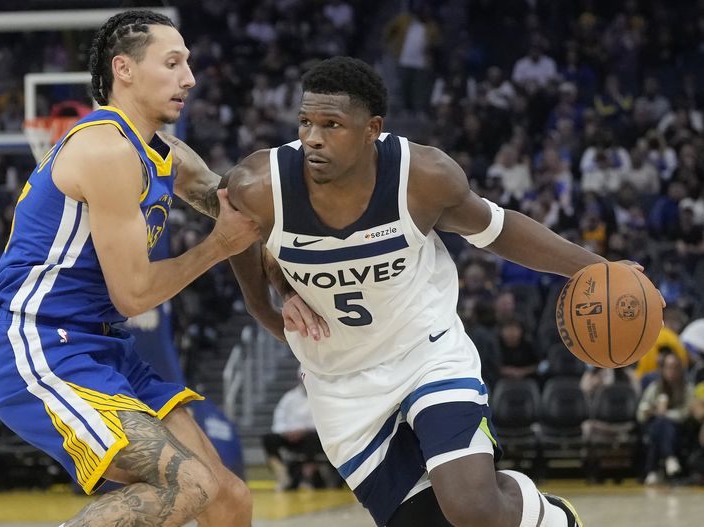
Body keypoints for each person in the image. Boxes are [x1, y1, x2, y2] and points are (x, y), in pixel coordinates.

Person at [224, 56, 648, 527]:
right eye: (305, 121)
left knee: (472, 507)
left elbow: (498, 229)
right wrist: (263, 302)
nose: (312, 137)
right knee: (425, 521)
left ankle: (551, 518)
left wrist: (599, 268)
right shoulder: (262, 184)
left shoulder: (420, 177)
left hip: (425, 352)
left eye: (331, 124)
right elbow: (235, 230)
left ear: (372, 129)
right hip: (339, 379)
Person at [0, 10, 262, 527]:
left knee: (229, 497)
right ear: (124, 69)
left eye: (189, 64)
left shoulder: (162, 150)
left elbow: (225, 198)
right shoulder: (105, 150)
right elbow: (134, 294)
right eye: (173, 63)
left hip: (105, 345)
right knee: (187, 484)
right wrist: (218, 246)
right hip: (44, 345)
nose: (189, 78)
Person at [636, 352, 694, 485]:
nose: (671, 371)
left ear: (680, 369)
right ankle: (670, 458)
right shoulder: (654, 387)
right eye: (668, 367)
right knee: (659, 424)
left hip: (680, 429)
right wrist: (650, 412)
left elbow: (686, 413)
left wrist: (665, 414)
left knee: (662, 423)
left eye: (675, 367)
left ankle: (652, 470)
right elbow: (640, 413)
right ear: (662, 369)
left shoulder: (687, 388)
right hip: (655, 428)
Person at [262, 376, 325, 490]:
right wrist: (286, 432)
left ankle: (309, 471)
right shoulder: (289, 398)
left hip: (310, 437)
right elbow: (279, 419)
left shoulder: (321, 397)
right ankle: (280, 471)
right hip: (289, 436)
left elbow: (322, 421)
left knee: (313, 438)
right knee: (269, 438)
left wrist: (303, 431)